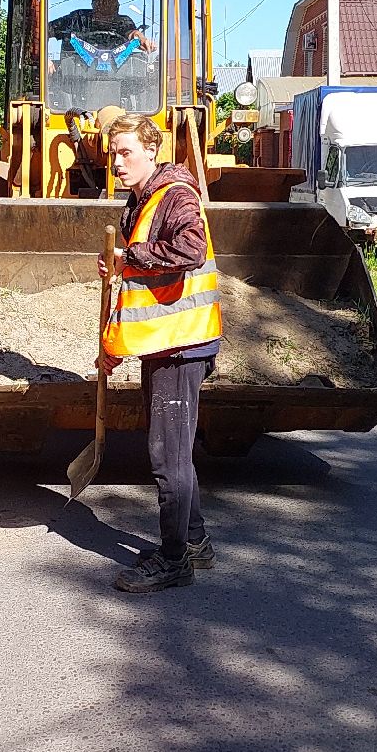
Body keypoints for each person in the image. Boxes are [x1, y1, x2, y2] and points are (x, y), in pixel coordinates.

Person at [97, 114, 221, 593]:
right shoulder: (140, 202)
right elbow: (140, 290)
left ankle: (174, 562)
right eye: (113, 154)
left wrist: (132, 256)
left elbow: (190, 248)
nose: (118, 162)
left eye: (126, 152)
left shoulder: (176, 196)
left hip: (181, 346)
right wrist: (113, 347)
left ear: (152, 148)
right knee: (175, 454)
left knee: (167, 458)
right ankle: (194, 543)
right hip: (163, 344)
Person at [49, 0, 157, 56]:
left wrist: (142, 40)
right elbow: (45, 30)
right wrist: (45, 59)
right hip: (71, 83)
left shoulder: (123, 21)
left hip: (119, 80)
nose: (115, 4)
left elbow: (132, 34)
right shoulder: (77, 19)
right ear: (94, 3)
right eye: (106, 0)